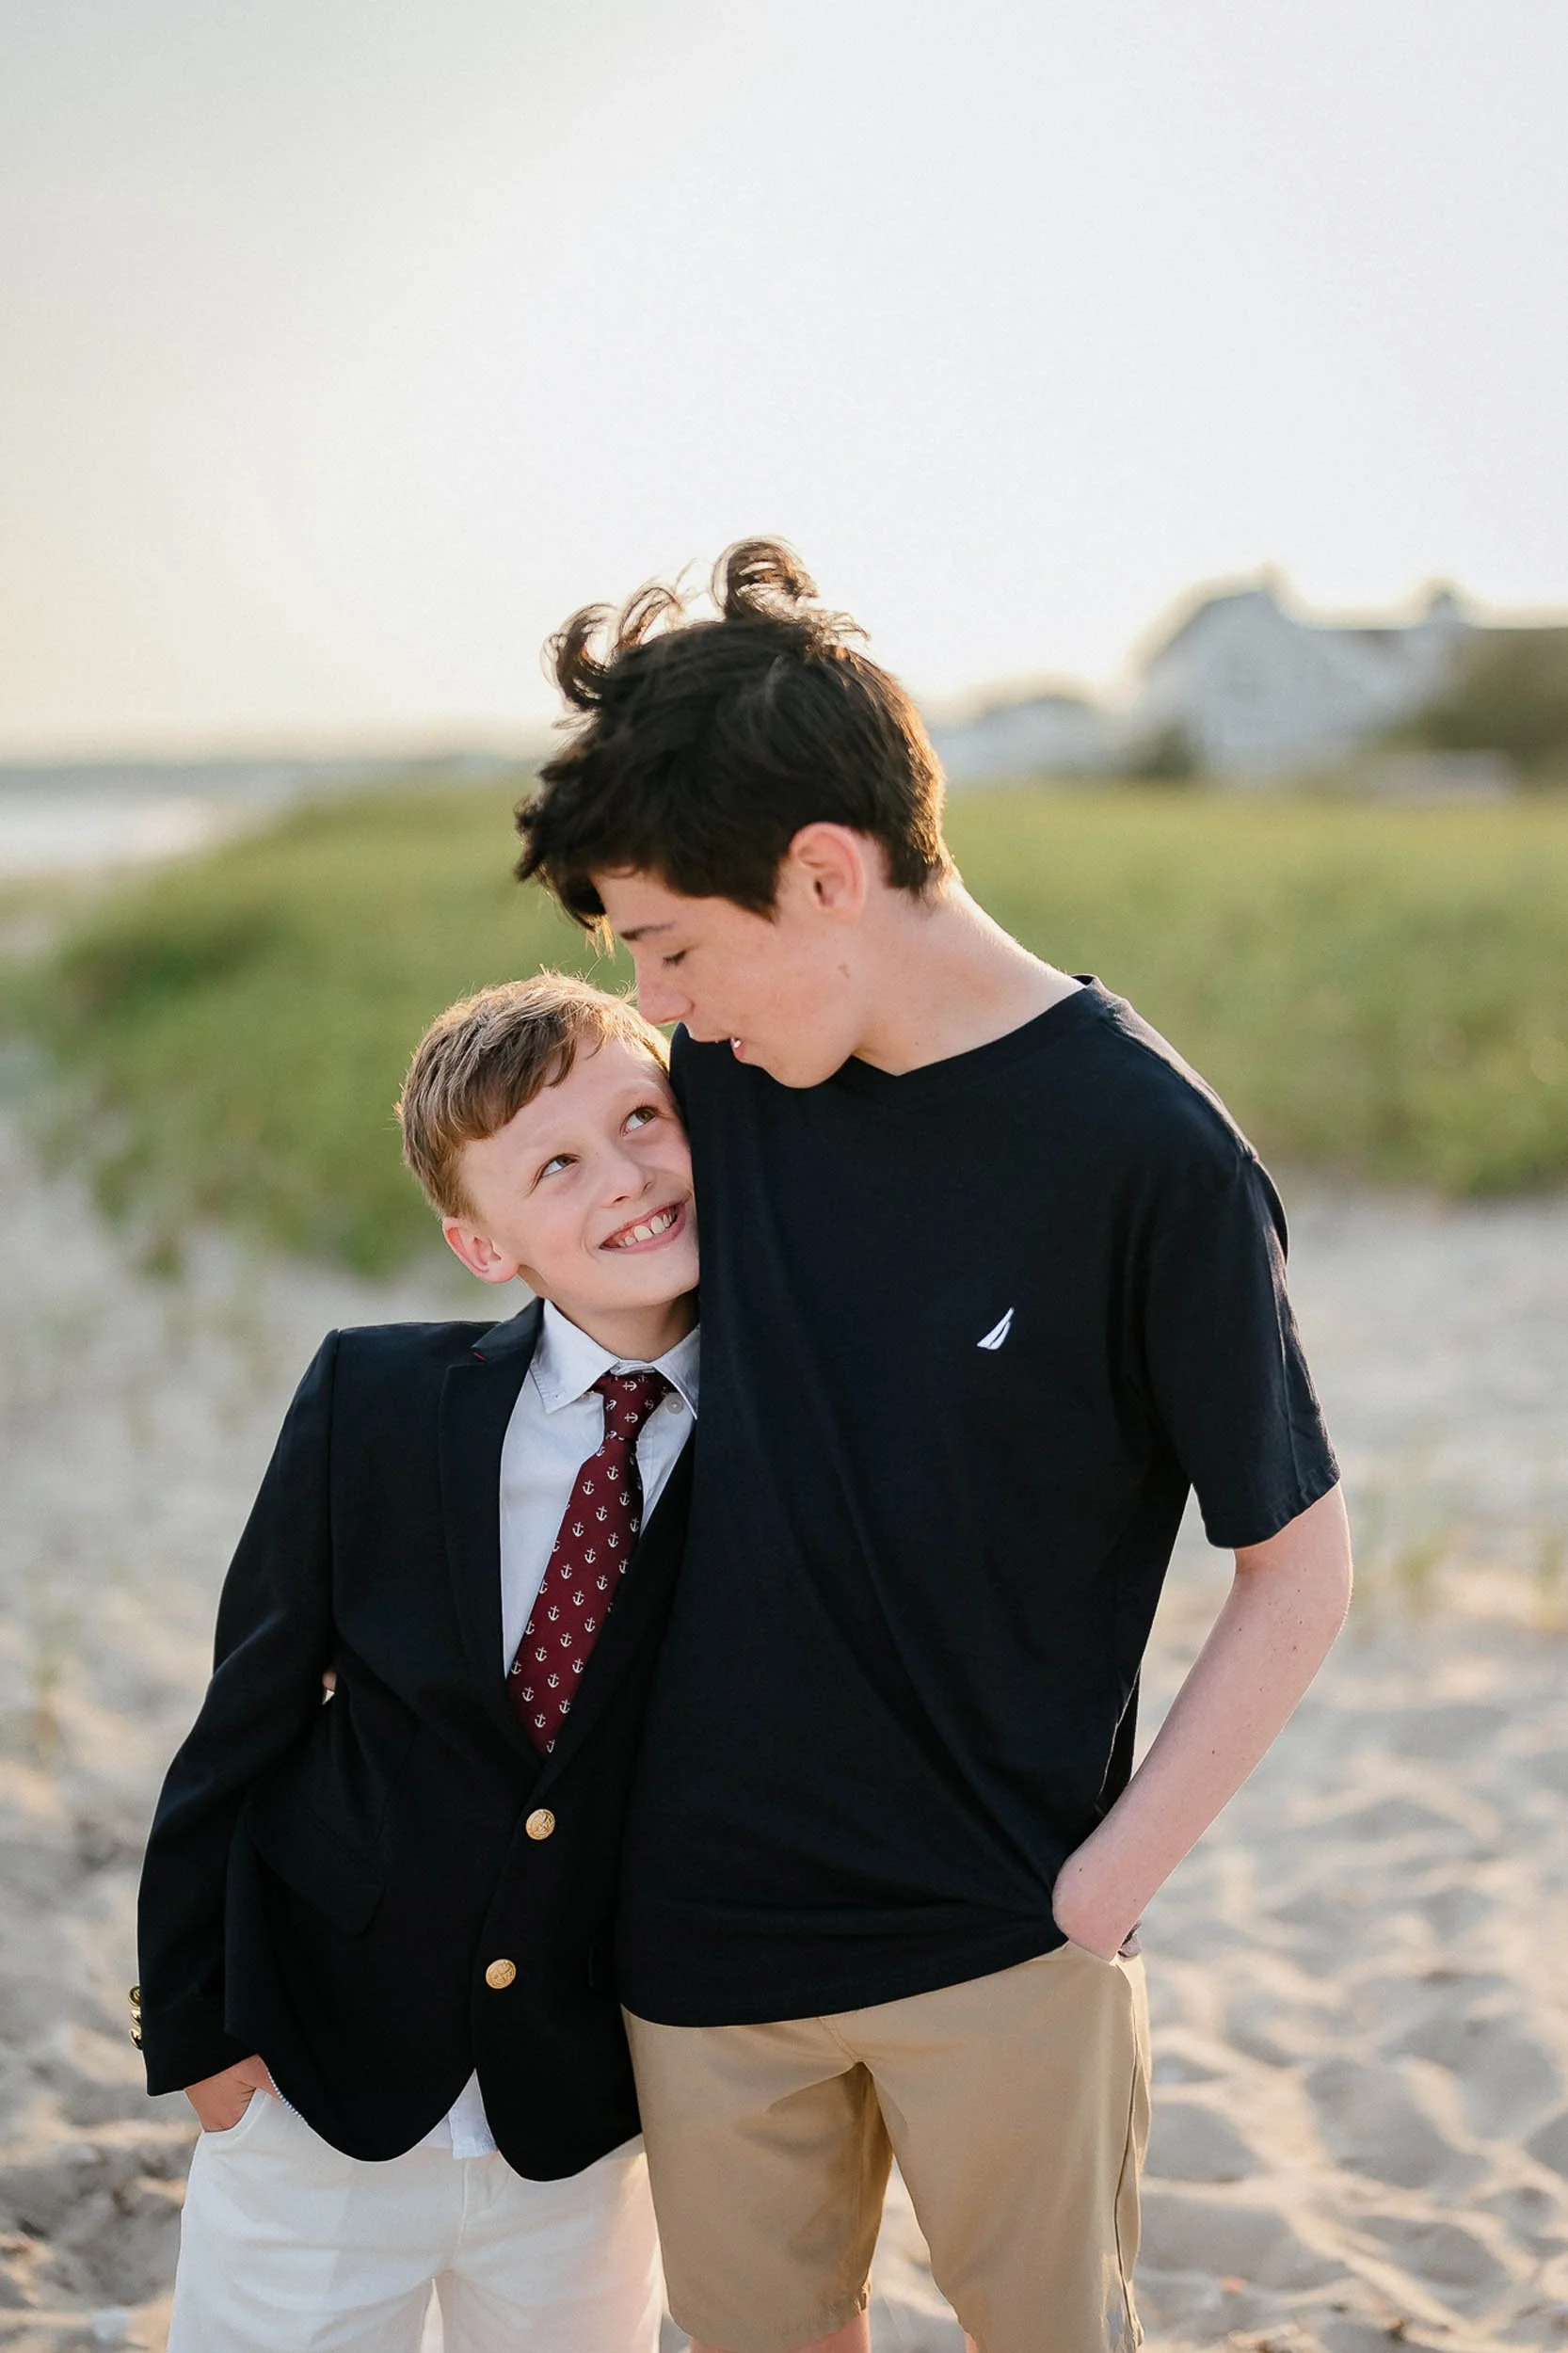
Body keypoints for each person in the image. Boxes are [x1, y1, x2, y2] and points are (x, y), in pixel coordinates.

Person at [514, 541, 1353, 2353]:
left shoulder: (1150, 1159)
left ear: (825, 873)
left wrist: (1094, 1898)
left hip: (1001, 1940)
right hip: (702, 1941)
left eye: (670, 943)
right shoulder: (720, 1091)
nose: (657, 1004)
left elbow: (1295, 1569)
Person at [135, 973, 700, 2353]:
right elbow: (242, 1719)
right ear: (481, 1245)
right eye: (554, 1163)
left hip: (582, 2114)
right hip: (320, 2080)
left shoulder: (787, 1437)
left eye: (644, 1117)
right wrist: (200, 2043)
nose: (623, 1176)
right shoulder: (374, 1400)